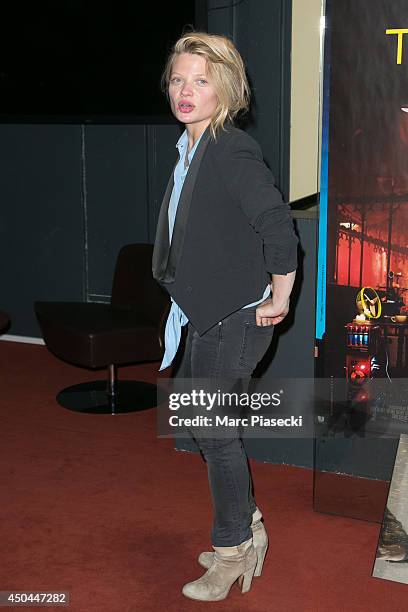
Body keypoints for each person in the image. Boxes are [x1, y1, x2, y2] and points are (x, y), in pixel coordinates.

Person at [152, 31, 298, 601]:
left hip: (234, 319)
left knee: (216, 435)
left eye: (201, 80)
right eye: (178, 79)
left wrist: (279, 299)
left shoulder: (230, 149)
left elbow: (279, 229)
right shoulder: (191, 148)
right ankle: (248, 526)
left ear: (226, 90)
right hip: (202, 313)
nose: (185, 91)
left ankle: (236, 547)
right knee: (201, 423)